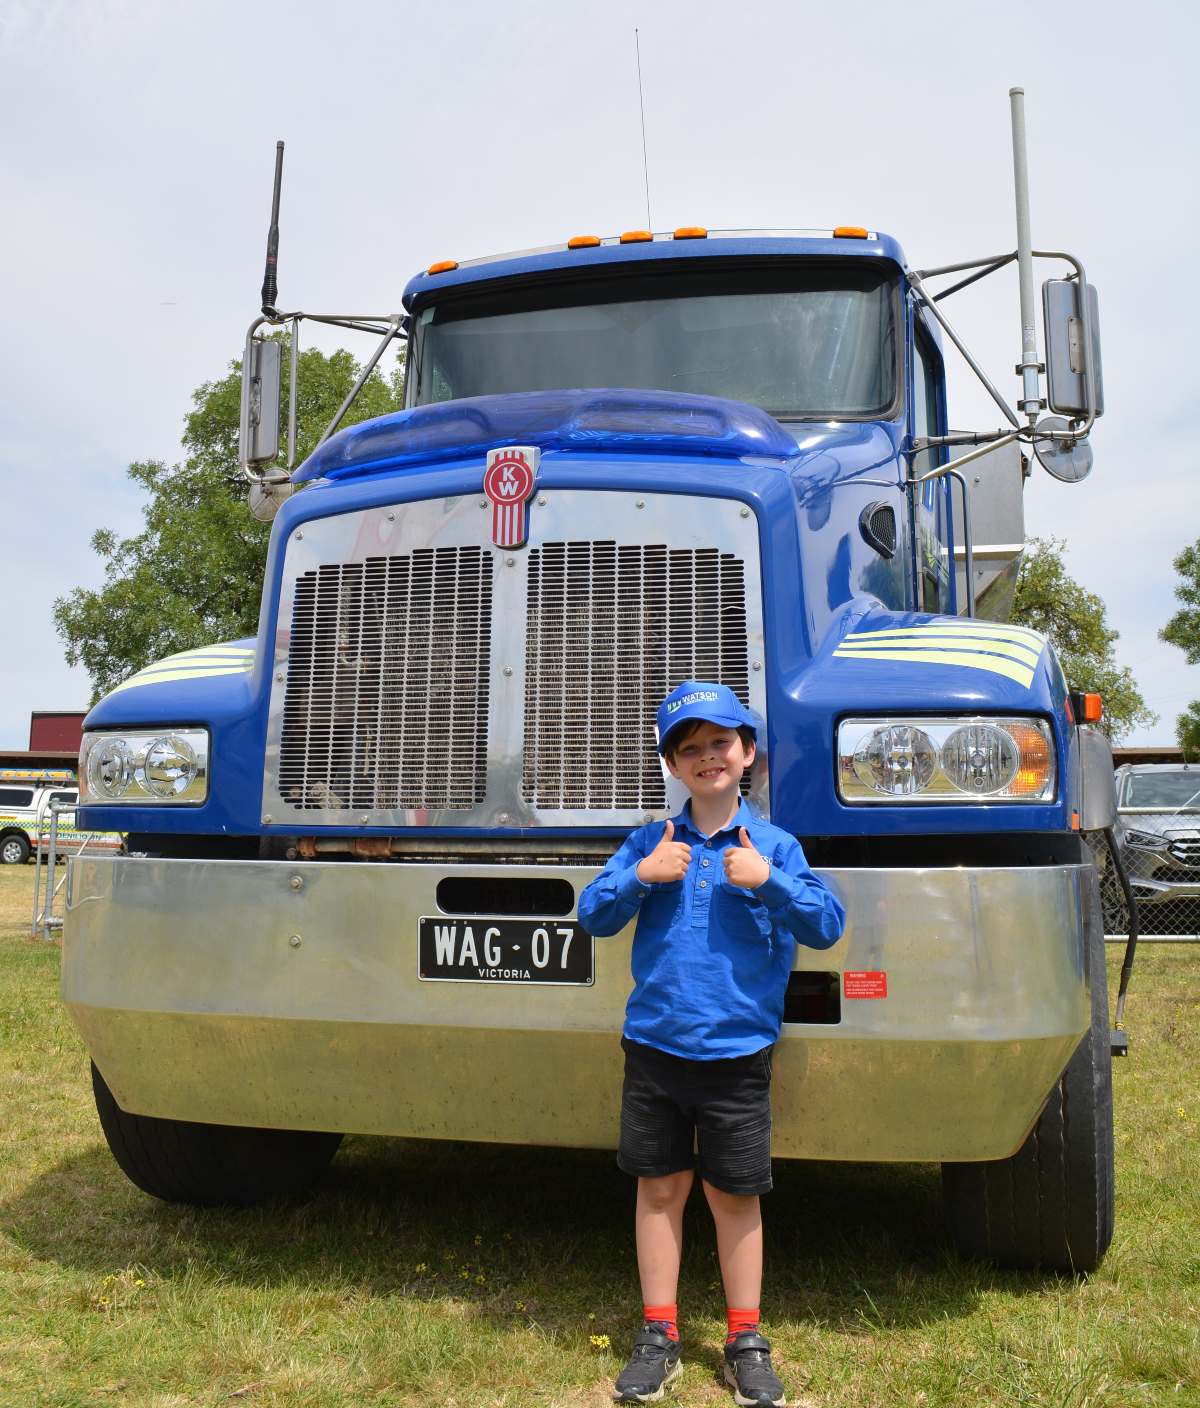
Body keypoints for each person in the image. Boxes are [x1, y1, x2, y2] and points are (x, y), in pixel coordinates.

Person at [578, 681, 846, 1407]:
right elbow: (593, 915)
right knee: (659, 1190)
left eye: (720, 742)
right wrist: (641, 876)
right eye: (688, 747)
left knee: (734, 1196)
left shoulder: (775, 846)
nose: (706, 757)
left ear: (748, 751)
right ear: (671, 764)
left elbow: (827, 924)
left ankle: (745, 1339)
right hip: (655, 1050)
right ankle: (659, 1334)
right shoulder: (650, 841)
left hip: (737, 1055)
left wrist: (770, 883)